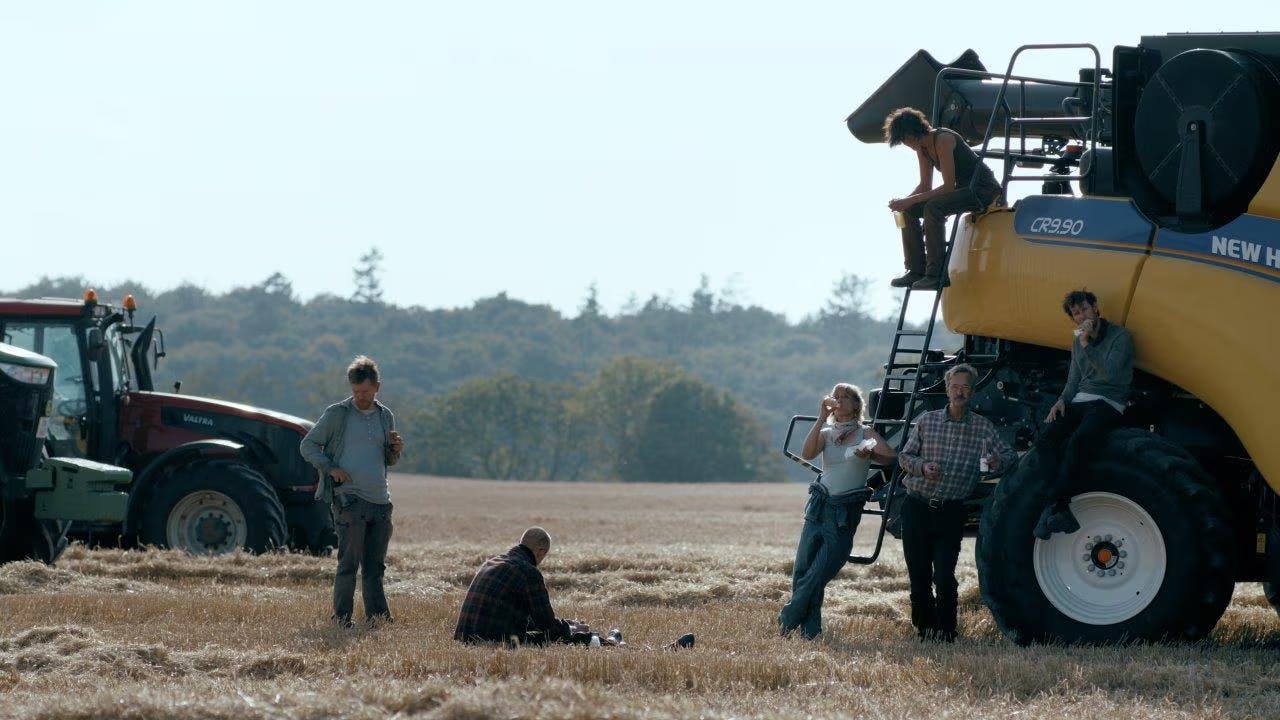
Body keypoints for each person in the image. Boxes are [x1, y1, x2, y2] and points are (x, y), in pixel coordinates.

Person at [898, 364, 1014, 642]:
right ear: (947, 389)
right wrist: (923, 467)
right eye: (954, 386)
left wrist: (998, 462)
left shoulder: (983, 428)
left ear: (972, 392)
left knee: (945, 577)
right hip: (917, 506)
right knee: (919, 577)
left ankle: (948, 632)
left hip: (951, 511)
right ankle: (925, 631)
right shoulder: (927, 420)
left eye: (965, 387)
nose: (959, 391)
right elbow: (904, 457)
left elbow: (1010, 456)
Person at [778, 383, 895, 639]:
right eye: (836, 396)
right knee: (803, 569)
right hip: (819, 504)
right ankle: (811, 632)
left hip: (844, 510)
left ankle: (788, 617)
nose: (839, 401)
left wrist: (870, 456)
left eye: (846, 397)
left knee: (821, 570)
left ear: (856, 405)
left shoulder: (866, 433)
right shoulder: (827, 431)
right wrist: (821, 416)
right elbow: (807, 453)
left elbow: (890, 457)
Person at [455, 527, 696, 650]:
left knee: (561, 632)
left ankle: (609, 641)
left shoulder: (492, 562)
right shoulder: (528, 572)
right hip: (495, 641)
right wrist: (571, 628)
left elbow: (520, 616)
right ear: (541, 551)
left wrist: (567, 623)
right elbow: (547, 627)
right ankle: (620, 647)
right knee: (566, 639)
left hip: (467, 639)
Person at [299, 355, 405, 628]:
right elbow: (308, 445)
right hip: (349, 500)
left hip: (381, 501)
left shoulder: (385, 415)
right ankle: (342, 619)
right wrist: (331, 468)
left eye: (366, 392)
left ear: (377, 387)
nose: (360, 397)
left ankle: (378, 618)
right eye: (356, 391)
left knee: (375, 567)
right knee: (348, 564)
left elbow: (387, 460)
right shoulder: (337, 414)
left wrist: (395, 450)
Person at [1033, 290, 1135, 539]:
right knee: (1045, 440)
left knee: (1079, 440)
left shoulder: (1120, 336)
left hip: (1110, 401)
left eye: (1085, 310)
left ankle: (1053, 505)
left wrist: (1086, 344)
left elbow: (1109, 374)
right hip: (1081, 399)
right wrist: (1061, 401)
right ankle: (1058, 508)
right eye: (1076, 314)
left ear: (1096, 308)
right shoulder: (1078, 341)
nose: (1082, 316)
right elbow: (1074, 379)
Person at [884, 107, 1003, 290]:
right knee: (907, 211)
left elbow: (947, 187)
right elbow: (925, 185)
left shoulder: (943, 139)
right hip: (961, 190)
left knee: (933, 207)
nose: (906, 144)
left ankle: (936, 273)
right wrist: (904, 202)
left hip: (982, 190)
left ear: (913, 133)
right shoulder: (922, 148)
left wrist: (912, 200)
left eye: (905, 139)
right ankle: (916, 270)